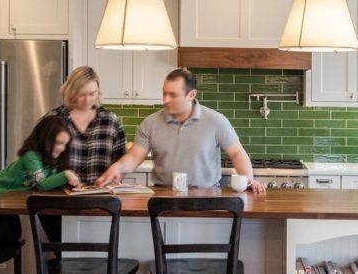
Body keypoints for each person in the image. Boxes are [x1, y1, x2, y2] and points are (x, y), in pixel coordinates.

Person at [97, 68, 265, 193]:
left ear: (191, 95)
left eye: (173, 95)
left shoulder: (216, 121)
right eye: (164, 94)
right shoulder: (150, 123)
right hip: (163, 196)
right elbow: (134, 157)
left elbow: (236, 152)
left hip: (207, 197)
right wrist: (117, 168)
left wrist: (248, 180)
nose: (165, 100)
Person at [0, 116, 80, 247]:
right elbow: (41, 184)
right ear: (45, 139)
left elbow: (49, 182)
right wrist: (66, 174)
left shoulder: (49, 161)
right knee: (9, 236)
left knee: (13, 235)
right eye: (59, 143)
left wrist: (69, 182)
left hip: (7, 198)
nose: (62, 148)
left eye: (65, 144)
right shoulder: (31, 155)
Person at [48, 66, 126, 186]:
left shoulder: (110, 121)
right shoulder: (53, 120)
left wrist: (115, 177)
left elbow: (121, 160)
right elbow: (36, 161)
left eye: (92, 93)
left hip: (102, 198)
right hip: (59, 198)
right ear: (71, 92)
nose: (87, 100)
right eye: (81, 94)